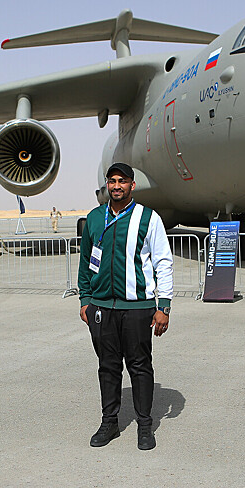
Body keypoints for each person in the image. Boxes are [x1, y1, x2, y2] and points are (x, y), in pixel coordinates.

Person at [78, 162, 173, 451]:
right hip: (102, 307)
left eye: (122, 181)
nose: (116, 186)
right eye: (112, 181)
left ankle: (145, 426)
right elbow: (85, 263)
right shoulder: (95, 218)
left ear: (132, 185)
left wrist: (164, 305)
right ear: (106, 184)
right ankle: (110, 422)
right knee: (107, 367)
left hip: (137, 307)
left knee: (140, 366)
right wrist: (85, 299)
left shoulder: (148, 218)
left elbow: (163, 262)